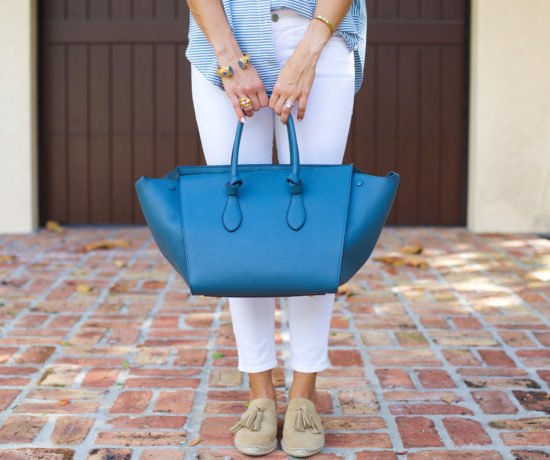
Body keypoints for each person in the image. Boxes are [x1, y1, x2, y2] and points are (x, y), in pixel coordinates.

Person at [185, 0, 366, 456]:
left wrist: (308, 53)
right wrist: (229, 58)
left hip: (318, 38)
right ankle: (260, 392)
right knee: (239, 229)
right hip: (222, 38)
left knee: (313, 228)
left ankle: (304, 392)